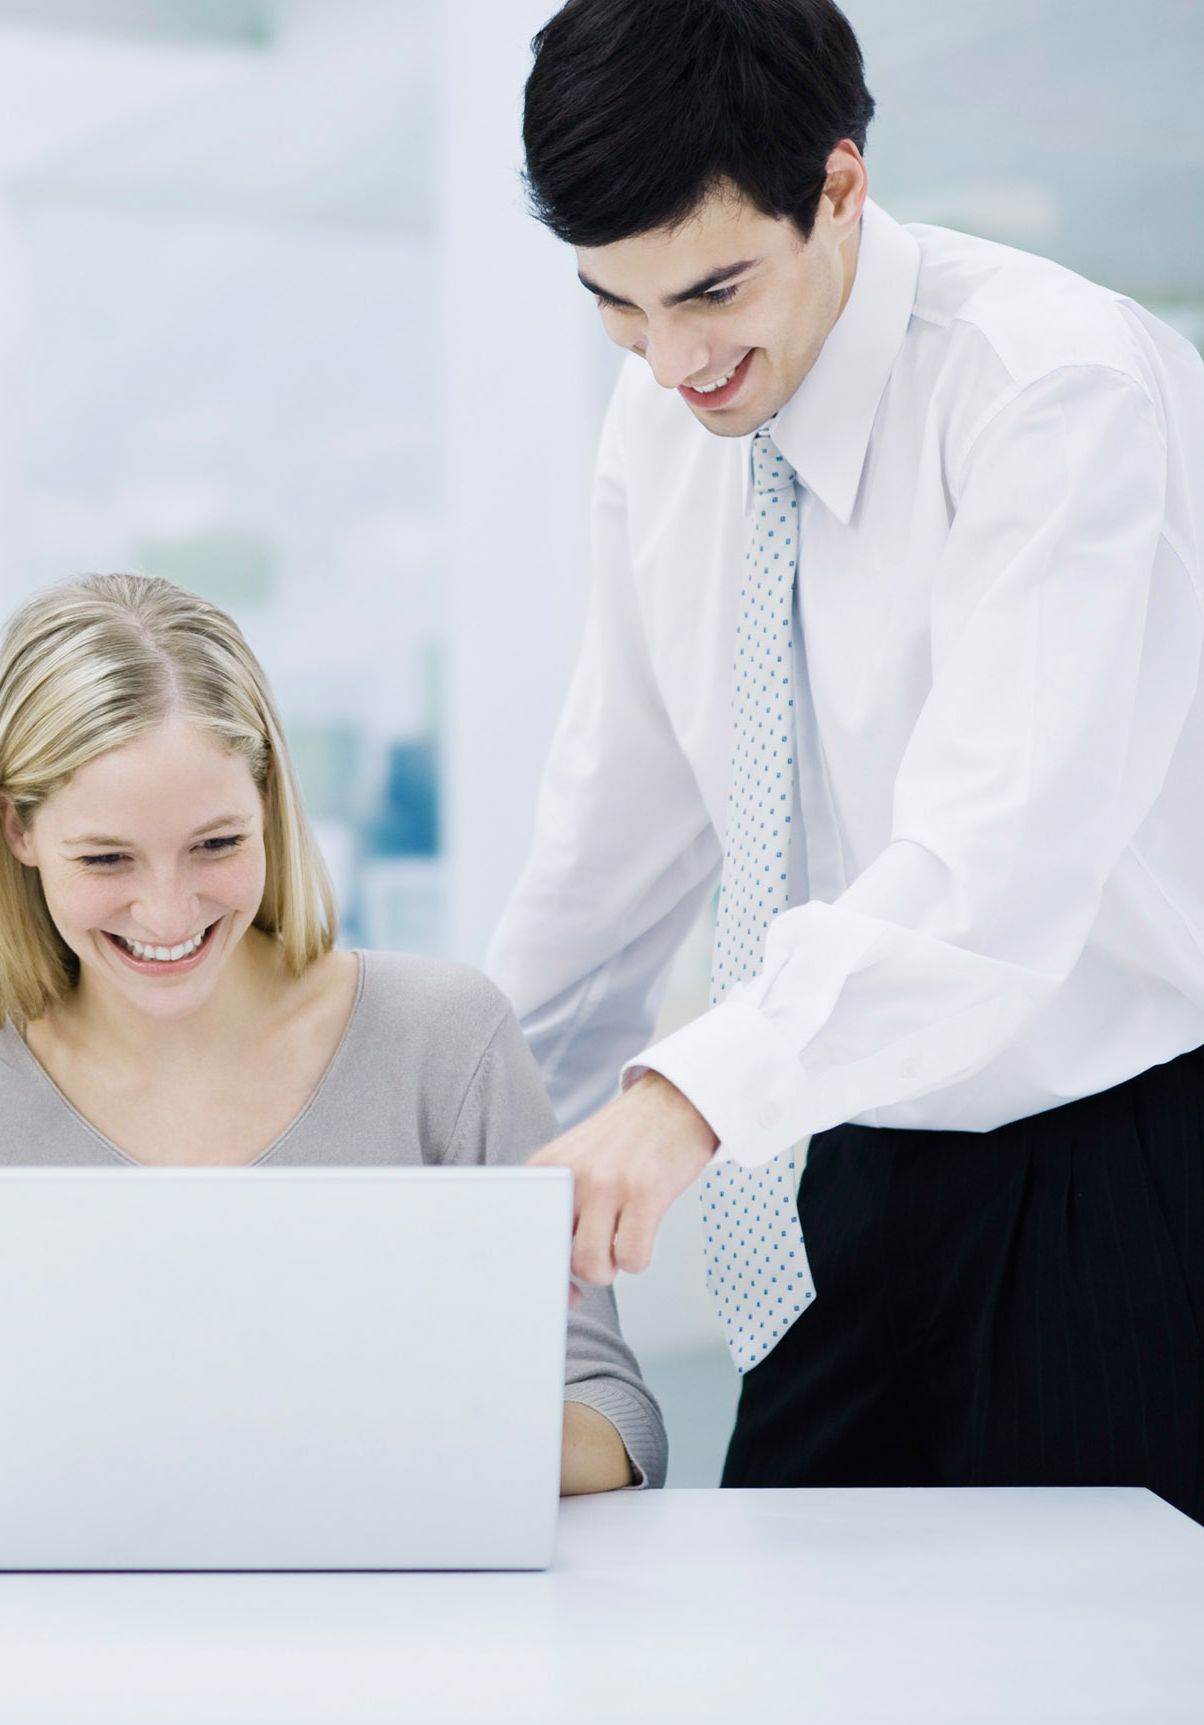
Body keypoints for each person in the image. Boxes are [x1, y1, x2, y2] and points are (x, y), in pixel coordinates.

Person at [489, 0, 1204, 1514]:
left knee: (1080, 1665)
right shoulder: (660, 421)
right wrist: (463, 1126)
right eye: (615, 304)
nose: (676, 359)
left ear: (840, 187)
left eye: (713, 289)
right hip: (839, 1144)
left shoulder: (1049, 388)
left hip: (1115, 1159)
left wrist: (687, 1094)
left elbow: (995, 870)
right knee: (777, 1633)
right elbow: (611, 835)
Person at [0, 574, 663, 1501]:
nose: (168, 910)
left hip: (380, 1627)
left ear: (267, 798)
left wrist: (299, 1452)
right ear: (17, 829)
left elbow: (614, 1421)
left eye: (217, 844)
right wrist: (53, 1459)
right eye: (106, 858)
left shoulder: (444, 1039)